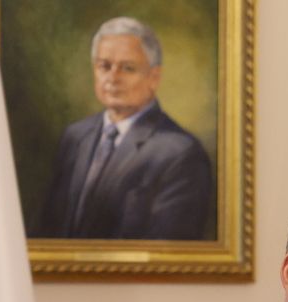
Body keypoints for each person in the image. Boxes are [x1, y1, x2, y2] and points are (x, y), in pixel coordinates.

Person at [30, 16, 214, 240]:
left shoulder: (180, 153)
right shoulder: (75, 137)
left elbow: (169, 251)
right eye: (104, 66)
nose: (112, 78)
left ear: (154, 78)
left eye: (127, 68)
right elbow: (48, 230)